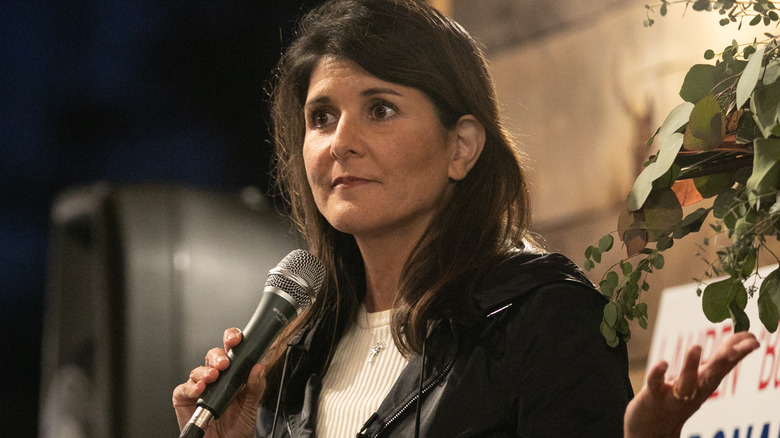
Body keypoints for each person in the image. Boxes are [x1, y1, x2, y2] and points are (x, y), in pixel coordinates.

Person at [172, 0, 760, 436]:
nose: (340, 142)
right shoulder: (299, 356)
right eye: (321, 117)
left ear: (462, 147)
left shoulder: (541, 316)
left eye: (380, 109)